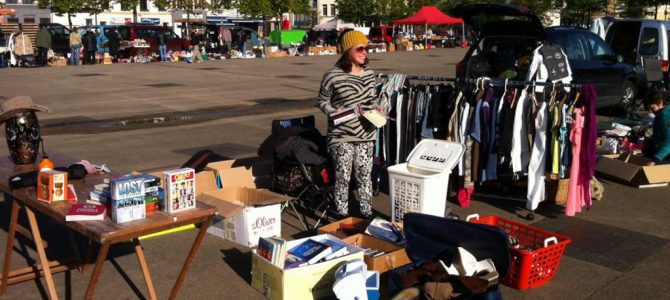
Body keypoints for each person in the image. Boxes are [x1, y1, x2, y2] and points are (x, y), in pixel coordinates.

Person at [316, 30, 381, 218]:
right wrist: (331, 111)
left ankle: (367, 213)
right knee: (343, 176)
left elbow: (372, 99)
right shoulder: (333, 75)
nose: (365, 52)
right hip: (341, 134)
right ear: (347, 50)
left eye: (367, 48)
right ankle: (341, 214)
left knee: (364, 175)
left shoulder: (369, 73)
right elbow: (322, 101)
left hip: (366, 133)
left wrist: (378, 108)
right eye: (360, 48)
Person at [644, 91, 670, 164]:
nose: (651, 111)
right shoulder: (660, 114)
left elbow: (669, 142)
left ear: (660, 102)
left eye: (652, 108)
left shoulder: (664, 116)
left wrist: (655, 159)